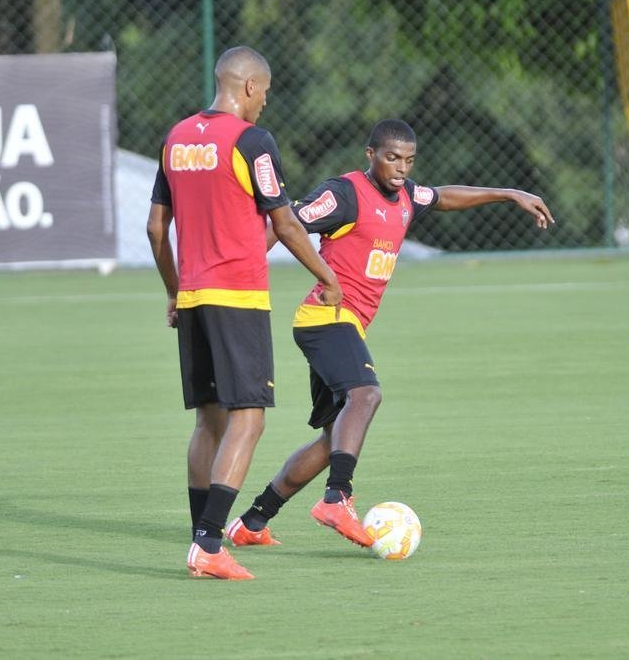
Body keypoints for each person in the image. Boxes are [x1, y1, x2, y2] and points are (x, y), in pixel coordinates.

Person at [226, 118, 553, 548]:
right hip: (325, 319)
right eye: (392, 158)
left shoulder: (407, 196)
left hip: (342, 325)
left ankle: (251, 522)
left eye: (409, 160)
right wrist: (246, 276)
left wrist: (509, 194)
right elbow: (284, 223)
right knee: (366, 395)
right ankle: (337, 498)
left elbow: (444, 196)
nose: (401, 168)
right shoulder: (343, 194)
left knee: (333, 440)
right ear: (371, 154)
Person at [146, 46, 342, 580]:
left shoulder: (176, 138)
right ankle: (210, 544)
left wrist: (174, 291)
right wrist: (327, 277)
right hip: (237, 297)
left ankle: (200, 535)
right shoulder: (252, 141)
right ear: (251, 87)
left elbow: (156, 228)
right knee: (249, 418)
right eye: (266, 93)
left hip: (193, 298)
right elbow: (285, 223)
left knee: (208, 420)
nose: (265, 104)